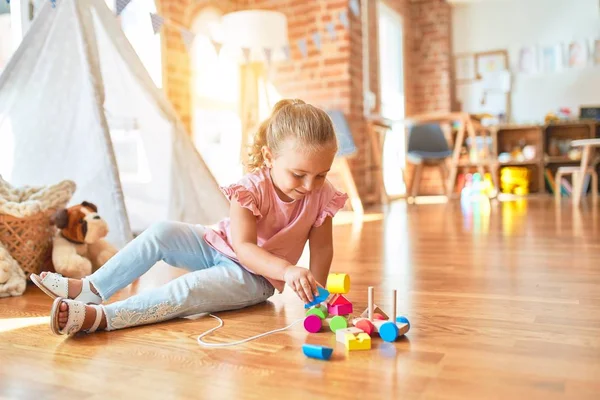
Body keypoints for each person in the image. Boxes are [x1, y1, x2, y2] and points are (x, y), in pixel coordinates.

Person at [31, 99, 348, 336]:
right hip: (222, 247)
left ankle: (103, 318)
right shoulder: (249, 189)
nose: (310, 186)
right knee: (162, 231)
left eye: (321, 175)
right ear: (269, 157)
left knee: (189, 288)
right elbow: (243, 245)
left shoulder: (323, 196)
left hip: (256, 279)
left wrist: (316, 296)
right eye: (298, 174)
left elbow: (321, 249)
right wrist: (290, 269)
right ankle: (92, 288)